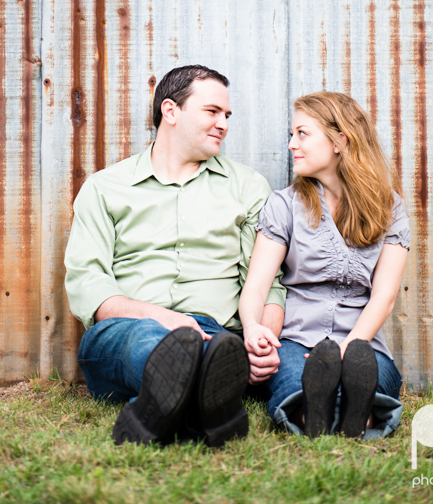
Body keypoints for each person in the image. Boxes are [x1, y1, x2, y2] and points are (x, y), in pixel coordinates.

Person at [64, 65, 286, 447]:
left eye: (227, 116)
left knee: (215, 350)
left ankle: (171, 405)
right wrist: (164, 318)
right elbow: (90, 287)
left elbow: (267, 284)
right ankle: (209, 395)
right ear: (170, 111)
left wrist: (262, 338)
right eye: (212, 112)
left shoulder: (248, 187)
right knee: (152, 341)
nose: (223, 124)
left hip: (219, 335)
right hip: (127, 333)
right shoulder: (104, 189)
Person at [239, 91, 410, 439]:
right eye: (292, 134)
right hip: (296, 340)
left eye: (302, 133)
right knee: (292, 380)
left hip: (362, 342)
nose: (291, 144)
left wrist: (351, 346)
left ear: (339, 141)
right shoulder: (283, 205)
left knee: (370, 374)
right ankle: (335, 417)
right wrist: (252, 327)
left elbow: (384, 297)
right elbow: (256, 286)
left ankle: (343, 414)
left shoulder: (389, 208)